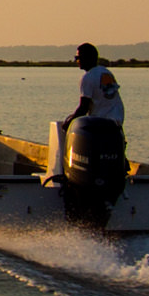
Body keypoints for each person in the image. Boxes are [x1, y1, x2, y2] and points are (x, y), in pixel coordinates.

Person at [58, 42, 127, 227]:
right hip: (115, 123)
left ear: (89, 57)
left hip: (99, 125)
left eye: (78, 57)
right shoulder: (105, 72)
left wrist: (69, 122)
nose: (76, 61)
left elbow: (84, 106)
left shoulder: (88, 78)